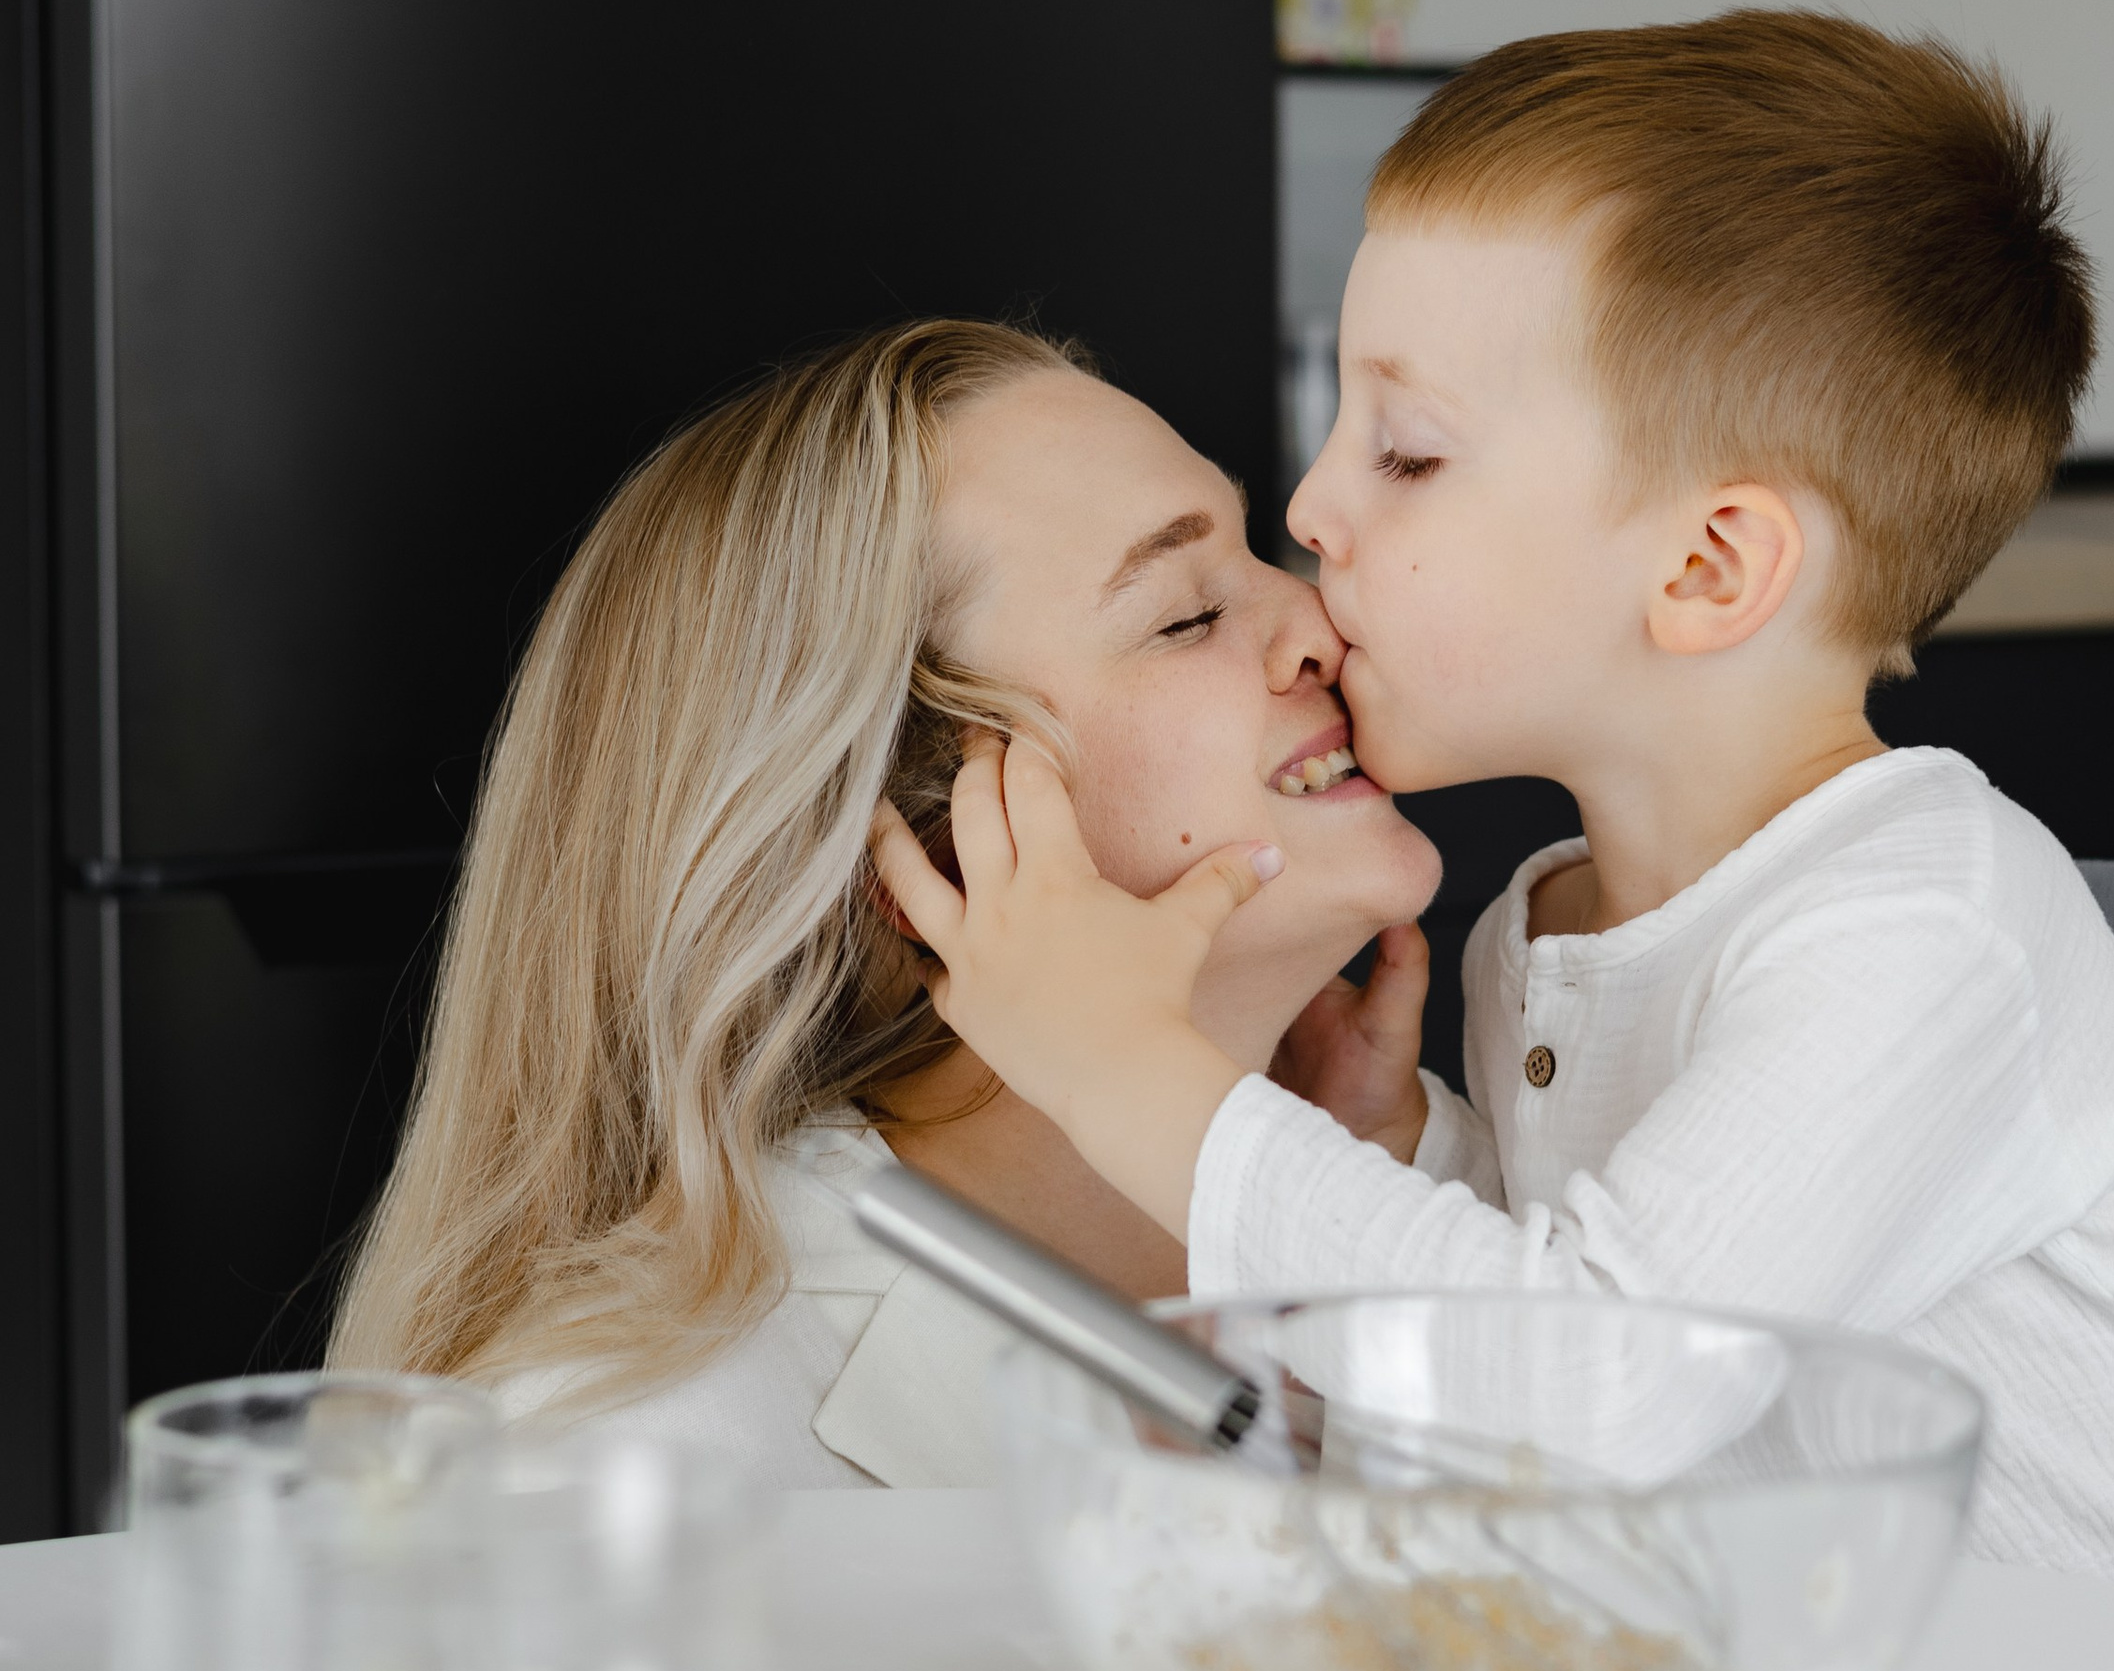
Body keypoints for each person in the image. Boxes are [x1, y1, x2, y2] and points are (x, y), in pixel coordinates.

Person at [877, 15, 2114, 1617]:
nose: (1310, 510)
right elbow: (1558, 1305)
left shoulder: (1927, 927)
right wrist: (1405, 1150)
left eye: (1410, 451)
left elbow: (1601, 1398)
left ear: (1709, 570)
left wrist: (1124, 1072)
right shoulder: (1548, 924)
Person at [330, 320, 1442, 1486]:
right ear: (926, 855)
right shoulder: (625, 1462)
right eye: (1184, 615)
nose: (1321, 624)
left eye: (1265, 554)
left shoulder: (1439, 1201)